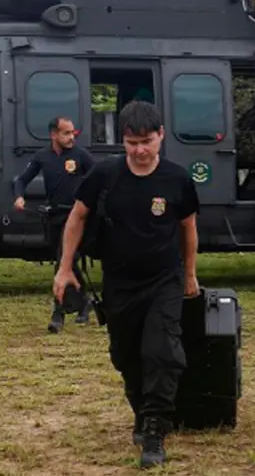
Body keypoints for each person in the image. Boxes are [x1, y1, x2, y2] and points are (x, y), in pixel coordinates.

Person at [53, 100, 200, 469]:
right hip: (119, 282)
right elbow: (77, 218)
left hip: (164, 278)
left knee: (162, 351)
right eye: (132, 142)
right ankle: (139, 407)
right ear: (123, 141)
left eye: (147, 141)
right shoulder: (105, 175)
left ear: (161, 137)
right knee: (125, 354)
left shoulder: (176, 178)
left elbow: (188, 228)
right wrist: (64, 268)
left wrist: (191, 272)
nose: (140, 150)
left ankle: (155, 428)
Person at [13, 116, 96, 333]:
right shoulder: (42, 157)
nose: (71, 138)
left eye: (72, 133)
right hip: (54, 217)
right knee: (65, 261)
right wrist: (19, 197)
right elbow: (21, 180)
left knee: (64, 261)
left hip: (75, 218)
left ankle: (58, 312)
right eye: (66, 133)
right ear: (54, 135)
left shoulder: (81, 155)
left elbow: (98, 177)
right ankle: (84, 301)